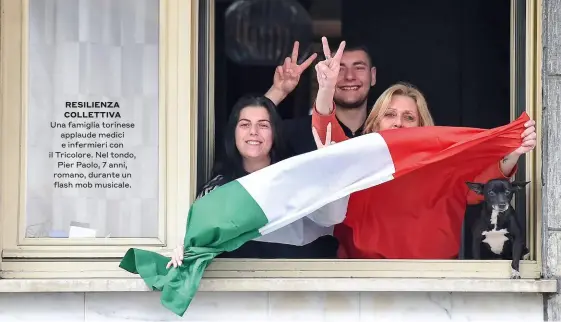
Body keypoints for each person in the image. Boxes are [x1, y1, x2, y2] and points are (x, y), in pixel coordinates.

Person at [310, 37, 537, 259]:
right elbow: (329, 140)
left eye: (409, 117)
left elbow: (485, 182)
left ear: (422, 127)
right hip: (364, 280)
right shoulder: (358, 161)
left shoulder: (444, 165)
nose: (398, 122)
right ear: (373, 124)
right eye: (390, 115)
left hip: (433, 281)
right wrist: (326, 89)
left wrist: (514, 150)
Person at [167, 95, 347, 268]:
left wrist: (328, 171)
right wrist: (184, 249)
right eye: (245, 124)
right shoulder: (217, 190)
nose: (253, 132)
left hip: (298, 289)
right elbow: (198, 239)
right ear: (234, 133)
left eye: (263, 125)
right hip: (238, 293)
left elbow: (331, 218)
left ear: (275, 132)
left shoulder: (296, 178)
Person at [263, 40, 377, 157]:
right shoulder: (295, 133)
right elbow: (252, 139)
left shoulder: (385, 130)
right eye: (339, 68)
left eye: (359, 68)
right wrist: (278, 91)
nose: (349, 76)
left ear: (373, 76)